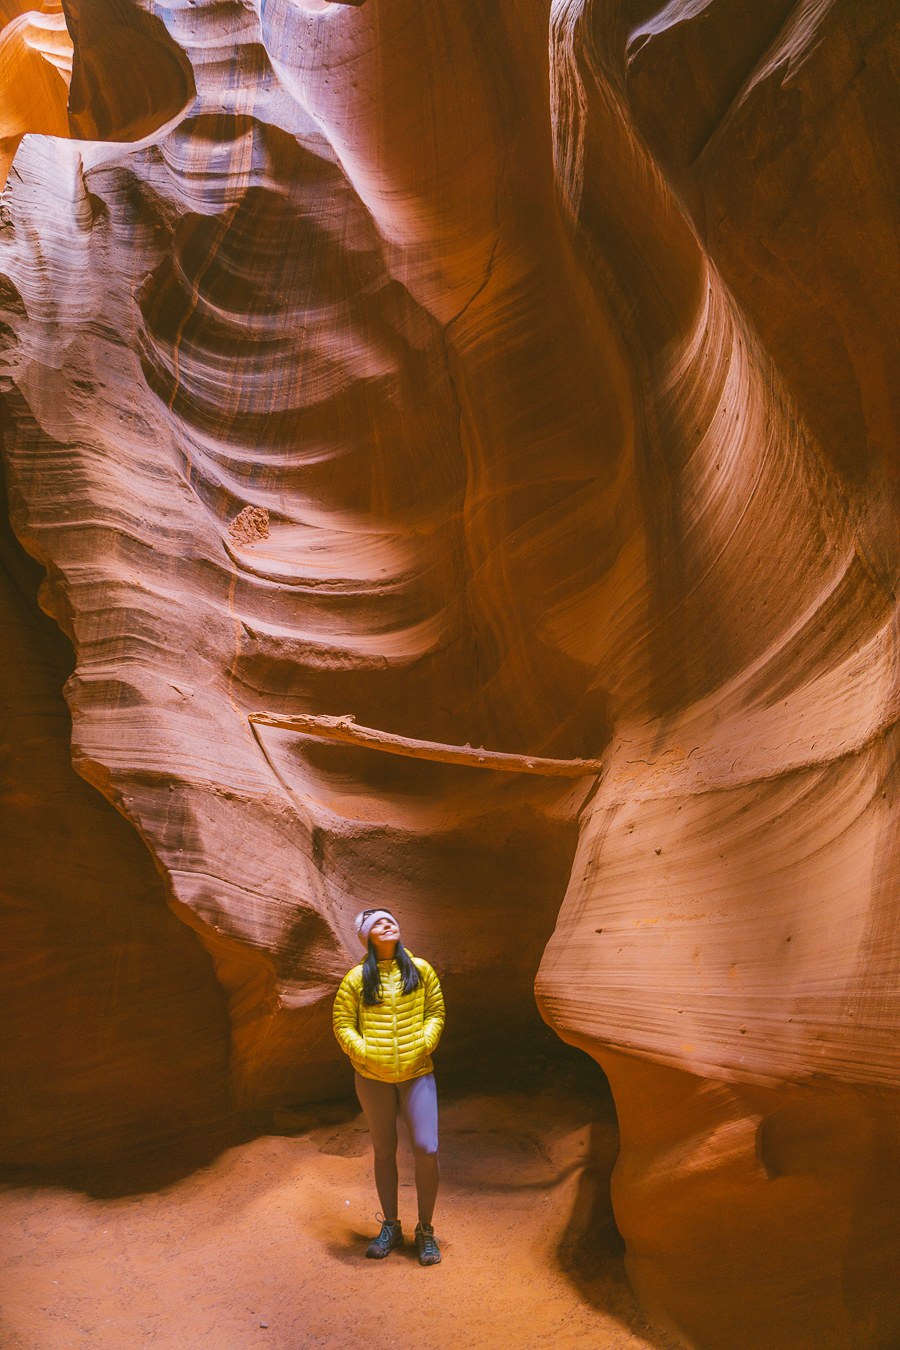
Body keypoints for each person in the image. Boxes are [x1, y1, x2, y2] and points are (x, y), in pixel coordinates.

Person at [332, 908, 445, 1265]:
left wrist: (423, 1044)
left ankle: (425, 1229)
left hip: (416, 1073)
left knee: (427, 1148)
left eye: (391, 919)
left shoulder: (421, 970)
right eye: (377, 923)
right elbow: (342, 1023)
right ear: (366, 937)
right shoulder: (355, 980)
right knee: (384, 1150)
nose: (387, 924)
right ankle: (391, 1226)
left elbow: (436, 1013)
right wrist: (365, 1053)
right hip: (371, 1077)